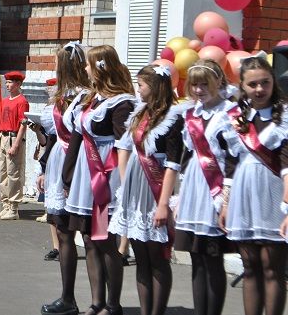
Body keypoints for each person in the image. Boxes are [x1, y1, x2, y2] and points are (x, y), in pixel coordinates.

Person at [63, 45, 135, 315]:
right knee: (89, 239)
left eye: (89, 64)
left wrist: (116, 182)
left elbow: (125, 145)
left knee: (104, 240)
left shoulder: (122, 102)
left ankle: (113, 305)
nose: (85, 68)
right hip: (86, 174)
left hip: (104, 177)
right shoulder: (93, 98)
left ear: (101, 68)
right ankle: (97, 302)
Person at [108, 65, 185, 315]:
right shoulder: (140, 113)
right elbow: (126, 148)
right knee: (140, 254)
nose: (137, 89)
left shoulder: (173, 116)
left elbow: (173, 162)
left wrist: (164, 203)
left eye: (141, 84)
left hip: (156, 188)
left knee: (157, 256)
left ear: (156, 86)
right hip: (135, 185)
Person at [222, 55, 288, 315]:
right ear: (243, 86)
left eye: (265, 82)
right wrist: (225, 203)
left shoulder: (283, 115)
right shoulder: (237, 116)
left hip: (273, 190)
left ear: (273, 82)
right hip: (243, 191)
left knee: (272, 266)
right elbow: (230, 161)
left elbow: (286, 163)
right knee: (249, 266)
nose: (259, 89)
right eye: (253, 84)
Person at [174, 59, 236, 315]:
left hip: (219, 188)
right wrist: (179, 196)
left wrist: (227, 197)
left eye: (204, 84)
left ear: (218, 82)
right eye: (195, 85)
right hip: (194, 187)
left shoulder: (231, 113)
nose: (199, 90)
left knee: (213, 259)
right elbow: (188, 155)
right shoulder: (191, 114)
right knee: (196, 258)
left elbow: (234, 157)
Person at [36, 42, 90, 315]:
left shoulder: (84, 97)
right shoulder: (61, 95)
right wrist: (45, 170)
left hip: (79, 162)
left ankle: (102, 301)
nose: (55, 67)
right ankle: (67, 297)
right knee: (62, 229)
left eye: (58, 63)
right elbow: (54, 136)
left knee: (90, 234)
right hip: (59, 159)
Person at [0, 70, 29, 220]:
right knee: (3, 173)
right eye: (7, 82)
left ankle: (14, 207)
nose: (7, 85)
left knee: (13, 174)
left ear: (18, 84)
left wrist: (16, 144)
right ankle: (6, 204)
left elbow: (23, 124)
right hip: (3, 136)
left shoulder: (22, 101)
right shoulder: (5, 100)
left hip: (13, 137)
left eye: (10, 82)